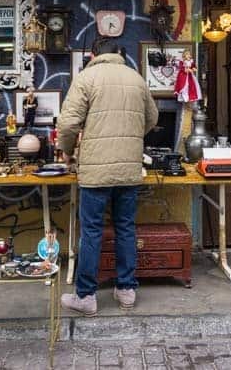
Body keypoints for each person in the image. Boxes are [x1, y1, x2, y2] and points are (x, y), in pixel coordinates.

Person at [56, 38, 158, 316]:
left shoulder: (87, 77)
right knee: (126, 227)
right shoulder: (136, 79)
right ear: (119, 55)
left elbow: (67, 124)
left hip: (96, 171)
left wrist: (67, 152)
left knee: (92, 231)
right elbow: (152, 118)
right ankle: (126, 290)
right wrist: (131, 138)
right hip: (128, 169)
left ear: (93, 55)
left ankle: (86, 296)